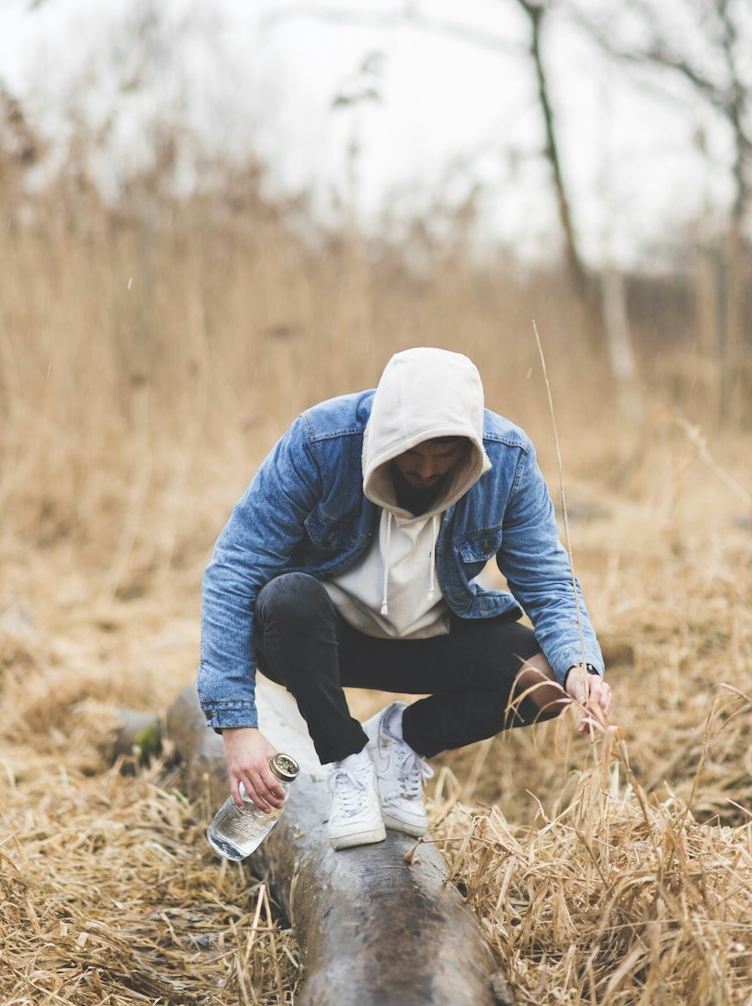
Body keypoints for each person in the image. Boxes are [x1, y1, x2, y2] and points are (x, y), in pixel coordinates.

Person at [199, 347, 612, 850]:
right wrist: (236, 725)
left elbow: (547, 579)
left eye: (444, 458)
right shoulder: (320, 441)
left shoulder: (509, 459)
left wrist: (582, 666)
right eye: (412, 455)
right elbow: (234, 568)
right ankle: (347, 762)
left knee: (545, 682)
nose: (426, 471)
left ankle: (400, 741)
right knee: (286, 597)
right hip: (318, 640)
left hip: (434, 638)